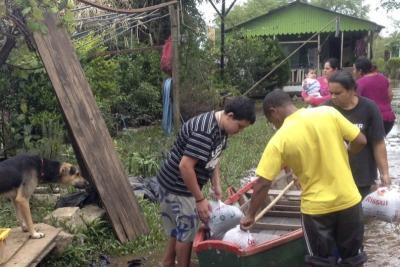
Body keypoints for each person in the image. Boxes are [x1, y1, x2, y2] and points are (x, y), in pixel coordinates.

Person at [240, 89, 367, 267]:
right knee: (355, 260)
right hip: (349, 202)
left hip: (316, 210)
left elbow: (263, 183)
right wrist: (346, 153)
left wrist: (250, 215)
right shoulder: (328, 112)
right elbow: (361, 141)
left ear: (273, 111)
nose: (274, 125)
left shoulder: (280, 139)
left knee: (320, 262)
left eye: (271, 122)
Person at [157, 96, 256, 267]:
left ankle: (167, 262)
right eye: (239, 126)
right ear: (230, 115)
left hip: (182, 184)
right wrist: (199, 199)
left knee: (179, 227)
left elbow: (214, 157)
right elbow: (185, 167)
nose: (239, 131)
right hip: (177, 186)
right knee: (186, 231)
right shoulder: (205, 132)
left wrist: (215, 184)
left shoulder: (221, 129)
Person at [325, 71, 391, 199]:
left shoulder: (369, 108)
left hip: (363, 175)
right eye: (330, 93)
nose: (333, 97)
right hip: (335, 176)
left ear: (352, 91)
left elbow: (378, 143)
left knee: (363, 215)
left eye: (338, 93)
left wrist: (385, 173)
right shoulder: (325, 109)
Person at [353, 57, 396, 135]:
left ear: (360, 71)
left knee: (367, 144)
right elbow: (390, 96)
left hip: (372, 121)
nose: (353, 72)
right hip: (389, 120)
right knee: (379, 143)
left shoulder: (359, 83)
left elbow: (354, 103)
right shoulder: (384, 78)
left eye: (354, 69)